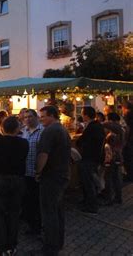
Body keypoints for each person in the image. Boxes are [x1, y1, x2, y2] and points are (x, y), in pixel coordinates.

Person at [35, 105, 71, 255]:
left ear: (51, 116)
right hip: (62, 174)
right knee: (58, 210)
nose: (41, 119)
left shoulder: (49, 131)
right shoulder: (62, 130)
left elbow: (43, 154)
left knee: (49, 211)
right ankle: (58, 241)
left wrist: (38, 171)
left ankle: (50, 247)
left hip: (51, 176)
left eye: (43, 116)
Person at [0, 116, 28, 255]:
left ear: (2, 127)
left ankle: (0, 247)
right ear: (17, 128)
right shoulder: (24, 143)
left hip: (0, 179)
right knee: (14, 213)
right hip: (17, 180)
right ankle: (11, 246)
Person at [76, 106, 105, 214]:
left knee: (88, 182)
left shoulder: (92, 127)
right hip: (95, 157)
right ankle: (87, 201)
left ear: (86, 115)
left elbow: (82, 141)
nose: (82, 116)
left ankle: (91, 205)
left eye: (83, 114)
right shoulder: (97, 125)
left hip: (89, 157)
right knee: (88, 181)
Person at [21, 109, 43, 235]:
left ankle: (38, 226)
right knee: (28, 200)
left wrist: (40, 170)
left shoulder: (42, 131)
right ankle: (31, 225)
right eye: (25, 117)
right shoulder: (24, 131)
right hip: (26, 171)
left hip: (37, 171)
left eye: (30, 116)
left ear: (36, 117)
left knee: (37, 201)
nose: (27, 119)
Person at [103, 132, 123, 205]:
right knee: (116, 180)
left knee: (108, 181)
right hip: (116, 164)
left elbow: (108, 157)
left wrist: (106, 164)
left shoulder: (107, 146)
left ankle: (109, 199)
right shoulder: (117, 146)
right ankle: (118, 198)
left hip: (110, 164)